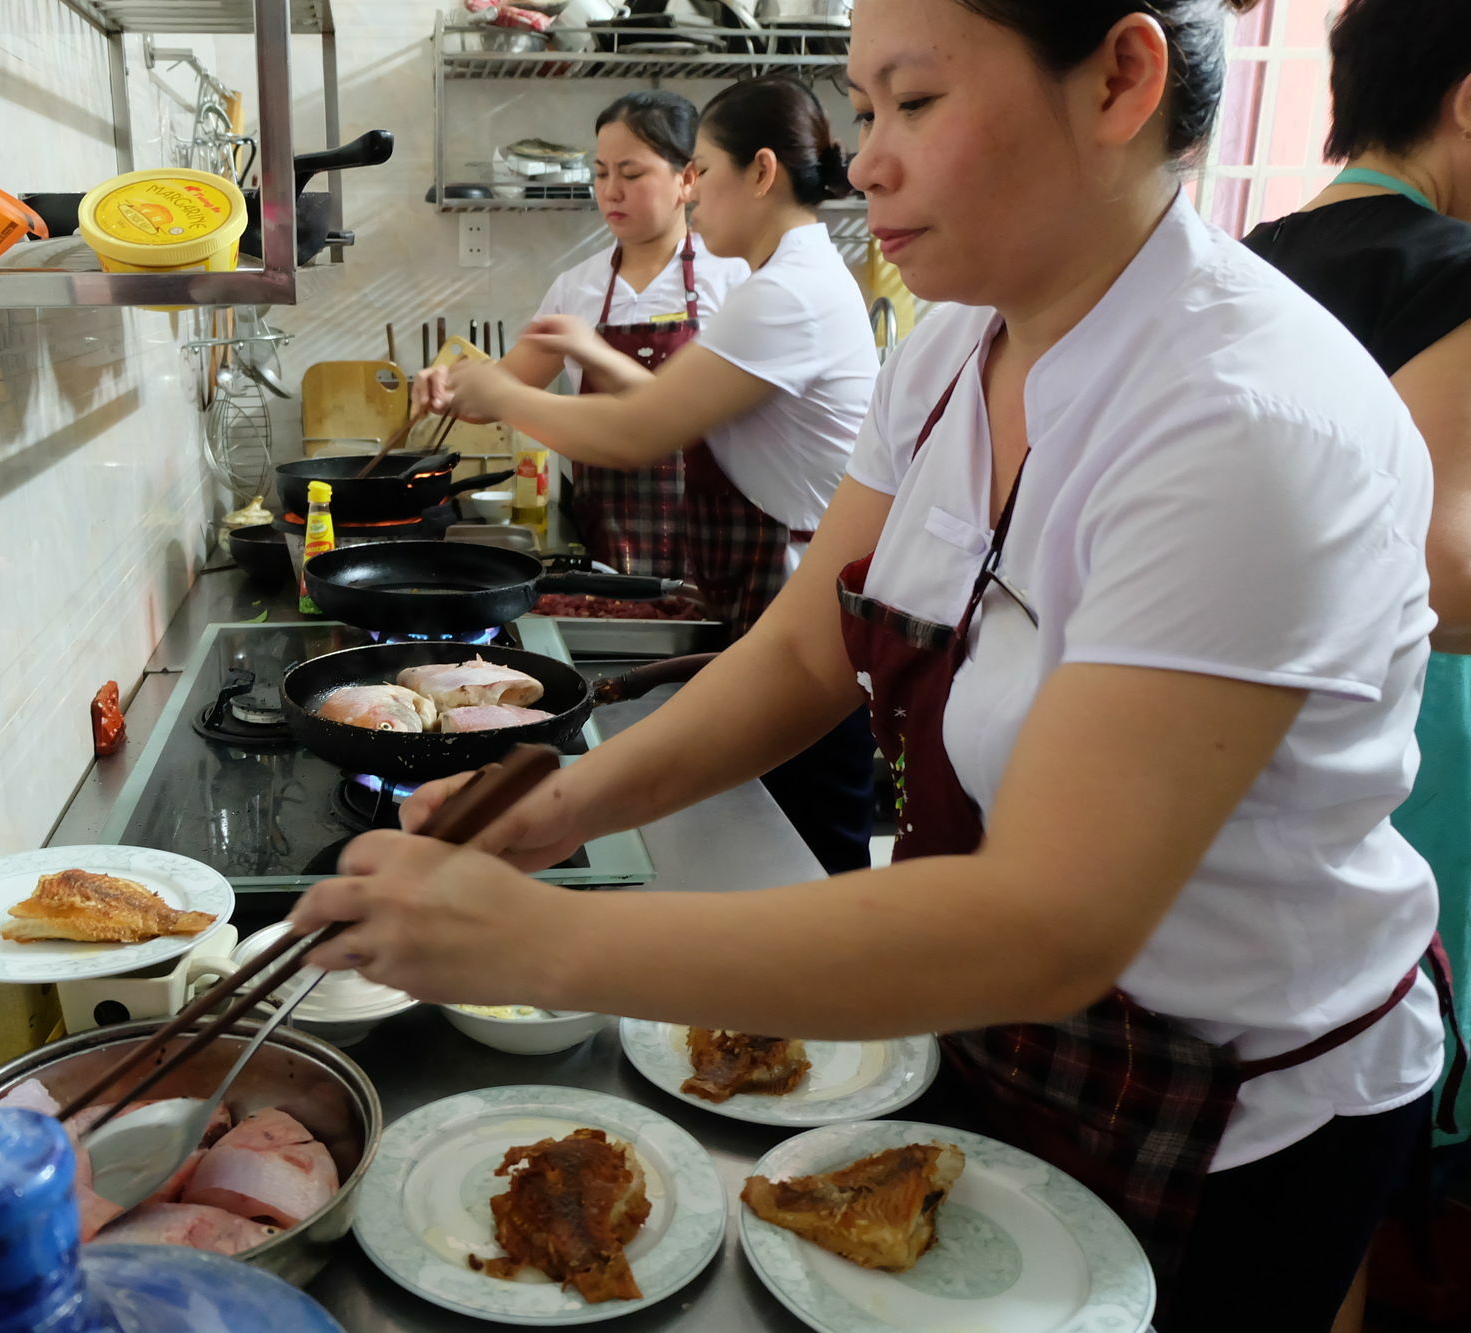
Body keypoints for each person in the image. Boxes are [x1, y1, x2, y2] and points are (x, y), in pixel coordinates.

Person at [294, 3, 1461, 1329]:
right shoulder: (956, 347)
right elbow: (806, 643)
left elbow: (1052, 921)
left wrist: (551, 940)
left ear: (1121, 80)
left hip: (1222, 1104)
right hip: (1003, 1025)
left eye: (914, 103)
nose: (867, 159)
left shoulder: (1247, 420)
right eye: (860, 108)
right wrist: (545, 810)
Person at [426, 74, 884, 875]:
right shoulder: (789, 279)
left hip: (808, 594)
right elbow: (685, 405)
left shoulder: (780, 292)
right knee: (775, 841)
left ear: (763, 172)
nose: (693, 188)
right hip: (772, 594)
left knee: (810, 844)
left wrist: (501, 391)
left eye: (700, 168)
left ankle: (834, 988)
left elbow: (643, 430)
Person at [1243, 0, 1471, 1155]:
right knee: (1364, 1060)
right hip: (1399, 724)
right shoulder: (1452, 270)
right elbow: (1434, 562)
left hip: (1251, 714)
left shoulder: (1255, 256)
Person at [416, 92, 750, 580]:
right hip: (605, 547)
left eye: (631, 174)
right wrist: (445, 385)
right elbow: (500, 393)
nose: (611, 191)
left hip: (718, 543)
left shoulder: (734, 279)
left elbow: (717, 425)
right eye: (600, 173)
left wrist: (592, 353)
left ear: (687, 178)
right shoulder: (578, 288)